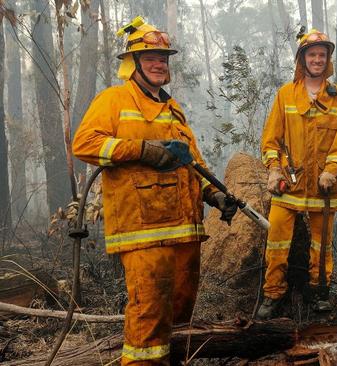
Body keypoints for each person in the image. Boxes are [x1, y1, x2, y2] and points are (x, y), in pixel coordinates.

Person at [72, 17, 237, 365]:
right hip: (143, 230)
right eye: (150, 58)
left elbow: (194, 163)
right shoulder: (114, 100)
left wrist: (214, 194)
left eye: (163, 58)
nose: (159, 63)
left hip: (184, 232)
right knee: (148, 316)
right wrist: (141, 149)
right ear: (133, 63)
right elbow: (85, 143)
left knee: (179, 318)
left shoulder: (173, 109)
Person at [257, 29, 337, 319]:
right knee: (276, 240)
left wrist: (332, 171)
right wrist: (273, 169)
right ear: (302, 59)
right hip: (289, 184)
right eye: (312, 54)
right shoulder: (286, 94)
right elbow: (270, 140)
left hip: (324, 187)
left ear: (328, 59)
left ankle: (319, 293)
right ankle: (273, 294)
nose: (318, 59)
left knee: (321, 243)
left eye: (322, 55)